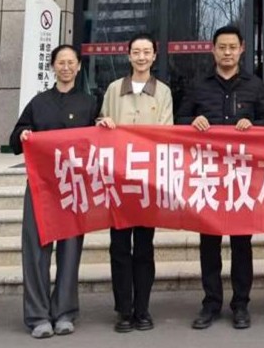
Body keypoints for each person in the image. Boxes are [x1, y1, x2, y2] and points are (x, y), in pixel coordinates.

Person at [176, 25, 264, 330]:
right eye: (222, 47)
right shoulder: (198, 86)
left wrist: (253, 124)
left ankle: (241, 304)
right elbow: (179, 120)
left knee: (242, 243)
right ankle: (211, 303)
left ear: (242, 49)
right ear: (213, 50)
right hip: (208, 175)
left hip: (243, 176)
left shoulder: (255, 86)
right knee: (209, 243)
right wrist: (193, 121)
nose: (227, 52)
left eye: (233, 47)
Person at [9, 44, 98, 339]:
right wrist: (23, 134)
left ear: (79, 66)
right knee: (36, 250)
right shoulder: (38, 102)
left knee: (70, 251)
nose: (66, 67)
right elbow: (15, 137)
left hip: (73, 187)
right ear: (53, 66)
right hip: (41, 186)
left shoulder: (89, 103)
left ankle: (64, 313)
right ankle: (37, 316)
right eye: (61, 62)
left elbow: (98, 140)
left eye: (71, 62)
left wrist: (104, 125)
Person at [96, 34, 173, 333]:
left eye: (146, 52)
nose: (141, 57)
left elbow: (166, 132)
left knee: (143, 248)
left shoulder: (163, 92)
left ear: (154, 56)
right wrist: (103, 123)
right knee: (118, 247)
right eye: (136, 52)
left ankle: (142, 309)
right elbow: (101, 123)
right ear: (128, 56)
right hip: (118, 179)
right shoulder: (114, 89)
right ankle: (123, 310)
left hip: (147, 181)